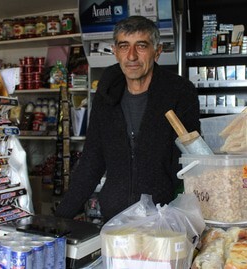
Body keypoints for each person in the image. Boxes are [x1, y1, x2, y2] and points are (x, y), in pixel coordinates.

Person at [54, 16, 200, 221]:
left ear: (157, 51)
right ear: (115, 51)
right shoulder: (106, 96)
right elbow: (91, 160)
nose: (131, 56)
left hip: (164, 216)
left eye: (141, 46)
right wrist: (60, 218)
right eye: (124, 46)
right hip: (115, 217)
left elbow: (192, 159)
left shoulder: (180, 93)